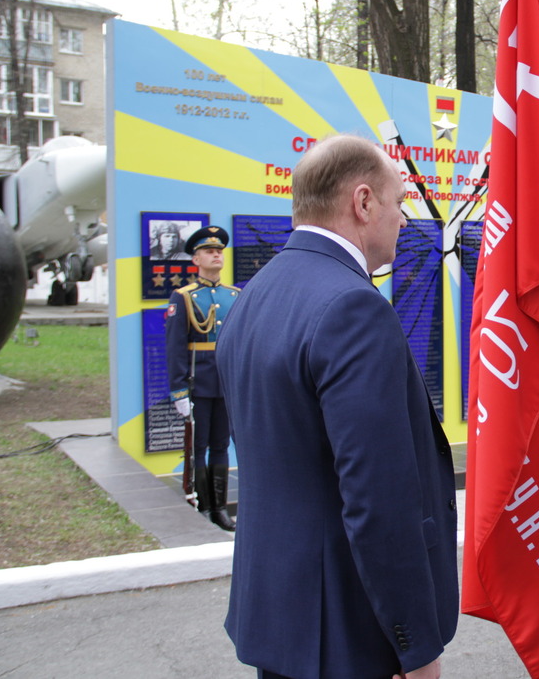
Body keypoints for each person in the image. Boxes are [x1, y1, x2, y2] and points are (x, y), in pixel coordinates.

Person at [216, 134, 457, 679]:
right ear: (364, 202)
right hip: (346, 633)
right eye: (399, 203)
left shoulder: (252, 297)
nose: (403, 220)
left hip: (278, 621)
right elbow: (377, 499)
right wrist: (414, 647)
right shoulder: (353, 307)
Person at [165, 225, 238, 531]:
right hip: (199, 381)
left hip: (226, 383)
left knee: (221, 445)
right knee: (198, 447)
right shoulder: (183, 297)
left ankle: (220, 507)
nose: (216, 255)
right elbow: (175, 347)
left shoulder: (234, 295)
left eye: (219, 251)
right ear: (195, 260)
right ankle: (201, 504)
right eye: (209, 251)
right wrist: (179, 391)